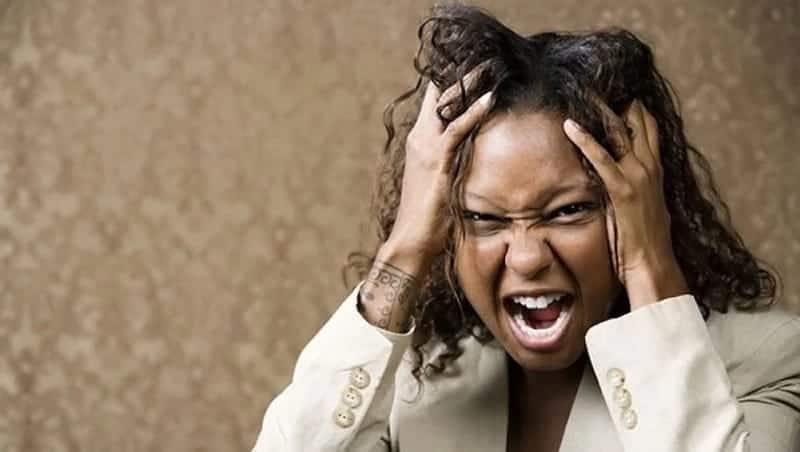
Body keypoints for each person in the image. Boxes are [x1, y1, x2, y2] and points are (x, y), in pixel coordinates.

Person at [252, 4, 800, 452]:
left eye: (567, 211)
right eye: (484, 219)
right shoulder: (413, 378)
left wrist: (649, 263)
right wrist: (404, 250)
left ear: (636, 206)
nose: (526, 259)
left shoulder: (767, 360)